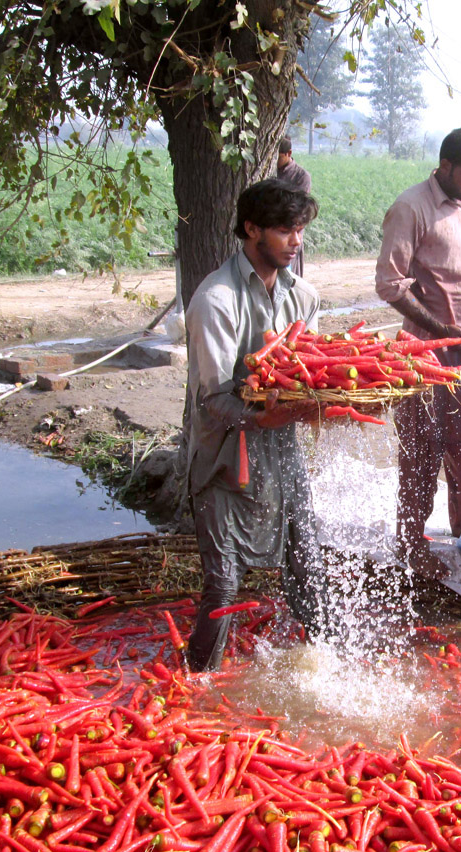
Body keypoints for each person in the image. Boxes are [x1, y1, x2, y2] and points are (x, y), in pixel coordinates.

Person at [182, 178, 328, 671]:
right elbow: (215, 398)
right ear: (251, 230)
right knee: (223, 582)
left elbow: (310, 368)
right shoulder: (215, 300)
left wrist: (326, 398)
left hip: (282, 452)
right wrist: (265, 415)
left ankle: (321, 667)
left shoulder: (303, 296)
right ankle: (196, 682)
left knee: (307, 563)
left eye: (300, 230)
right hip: (226, 455)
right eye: (285, 231)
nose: (296, 241)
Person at [375, 123, 461, 579]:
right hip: (425, 357)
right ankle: (411, 545)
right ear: (446, 166)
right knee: (420, 455)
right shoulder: (411, 208)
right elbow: (389, 285)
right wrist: (443, 331)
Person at [276, 135, 312, 276]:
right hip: (271, 238)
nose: (274, 162)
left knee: (289, 279)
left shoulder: (301, 177)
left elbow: (298, 211)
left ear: (288, 153)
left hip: (291, 236)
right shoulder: (270, 171)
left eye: (277, 157)